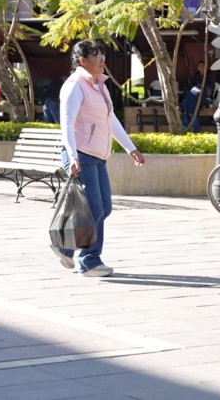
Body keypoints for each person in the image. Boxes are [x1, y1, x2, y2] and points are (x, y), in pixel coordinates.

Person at [50, 40, 146, 277]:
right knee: (94, 207)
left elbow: (110, 119)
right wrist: (72, 157)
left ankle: (65, 245)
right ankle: (90, 260)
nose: (101, 59)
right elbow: (67, 124)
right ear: (82, 61)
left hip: (97, 156)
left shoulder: (99, 85)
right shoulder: (74, 86)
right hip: (81, 154)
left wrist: (130, 148)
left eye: (102, 54)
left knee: (104, 207)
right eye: (95, 55)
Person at [181, 60, 216, 132]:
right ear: (198, 68)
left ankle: (186, 122)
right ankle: (191, 115)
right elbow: (191, 86)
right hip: (195, 95)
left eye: (203, 66)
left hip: (204, 95)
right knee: (188, 93)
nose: (201, 67)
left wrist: (200, 87)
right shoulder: (196, 75)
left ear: (206, 67)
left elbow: (210, 87)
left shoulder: (209, 75)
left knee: (190, 98)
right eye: (200, 66)